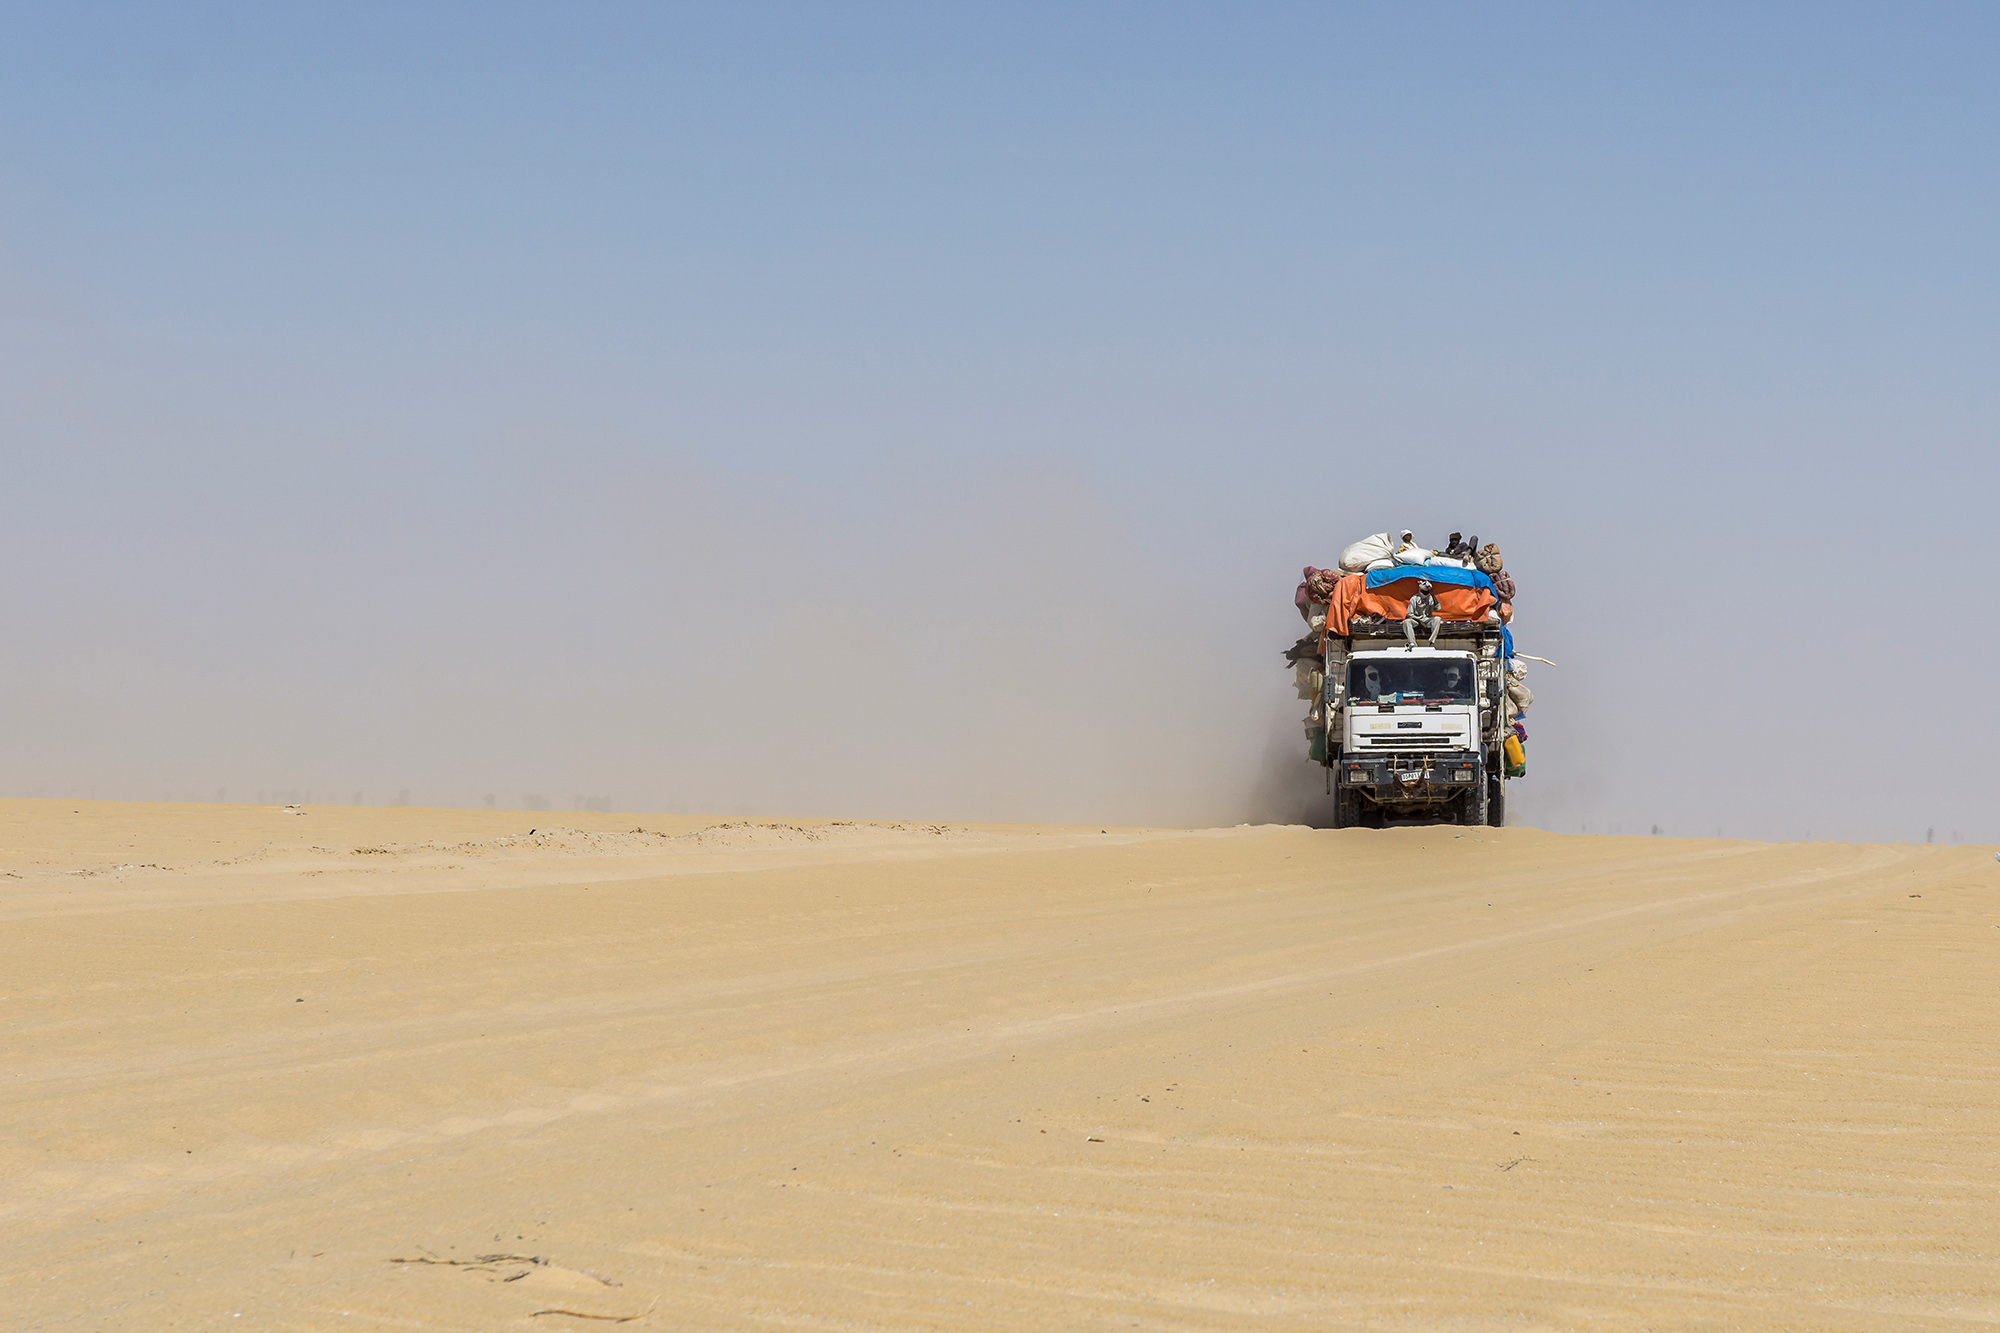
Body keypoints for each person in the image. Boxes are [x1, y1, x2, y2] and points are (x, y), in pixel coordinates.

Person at [1404, 578, 1441, 648]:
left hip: (1427, 619)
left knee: (1437, 619)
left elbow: (1438, 608)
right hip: (1416, 620)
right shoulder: (1414, 599)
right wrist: (1419, 621)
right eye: (1423, 592)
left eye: (1426, 592)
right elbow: (1409, 614)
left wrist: (1432, 595)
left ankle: (1431, 641)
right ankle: (1413, 643)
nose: (1425, 594)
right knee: (1406, 622)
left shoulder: (1430, 599)